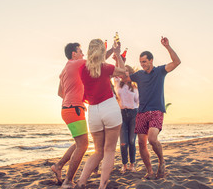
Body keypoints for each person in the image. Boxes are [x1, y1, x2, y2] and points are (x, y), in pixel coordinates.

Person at [74, 39, 126, 189]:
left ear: (89, 51)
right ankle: (102, 186)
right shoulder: (106, 67)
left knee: (98, 151)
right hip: (109, 107)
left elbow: (95, 62)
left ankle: (82, 181)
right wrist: (117, 53)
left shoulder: (82, 68)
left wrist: (109, 51)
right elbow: (123, 73)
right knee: (109, 150)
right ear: (102, 53)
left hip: (93, 112)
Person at [128, 36, 181, 179]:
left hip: (156, 111)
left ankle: (161, 161)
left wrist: (167, 46)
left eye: (144, 61)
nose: (142, 64)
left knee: (152, 139)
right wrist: (118, 58)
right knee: (141, 142)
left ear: (151, 60)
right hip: (142, 112)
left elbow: (177, 62)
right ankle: (149, 171)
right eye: (140, 62)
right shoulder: (139, 75)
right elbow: (125, 77)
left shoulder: (160, 71)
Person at [51, 43, 89, 189]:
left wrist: (75, 96)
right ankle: (68, 181)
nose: (83, 55)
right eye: (81, 51)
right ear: (74, 54)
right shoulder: (77, 63)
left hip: (67, 108)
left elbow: (60, 93)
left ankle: (58, 166)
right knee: (83, 144)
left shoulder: (65, 69)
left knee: (80, 142)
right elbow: (98, 60)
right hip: (74, 109)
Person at [113, 65, 139, 174]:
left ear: (131, 73)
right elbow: (115, 71)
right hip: (121, 114)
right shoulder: (118, 84)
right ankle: (124, 165)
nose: (126, 72)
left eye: (128, 71)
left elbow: (138, 101)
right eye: (124, 71)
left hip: (133, 114)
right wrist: (118, 60)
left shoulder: (135, 87)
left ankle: (132, 165)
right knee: (123, 143)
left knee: (132, 141)